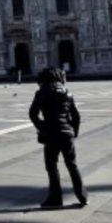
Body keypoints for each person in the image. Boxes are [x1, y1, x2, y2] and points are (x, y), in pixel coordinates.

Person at [28, 67, 87, 208]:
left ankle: (55, 199)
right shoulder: (68, 93)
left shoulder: (42, 92)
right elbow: (76, 116)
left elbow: (32, 114)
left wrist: (42, 127)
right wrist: (74, 132)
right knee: (72, 165)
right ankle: (83, 197)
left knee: (52, 167)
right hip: (67, 134)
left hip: (51, 134)